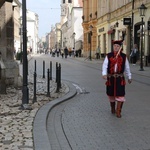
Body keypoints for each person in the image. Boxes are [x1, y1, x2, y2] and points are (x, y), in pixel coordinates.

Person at [102, 40, 132, 118]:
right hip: (111, 78)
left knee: (120, 94)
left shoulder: (124, 56)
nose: (116, 47)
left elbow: (127, 67)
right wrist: (104, 74)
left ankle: (118, 111)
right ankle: (112, 108)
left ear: (120, 48)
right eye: (115, 46)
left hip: (120, 79)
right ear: (113, 47)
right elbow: (105, 65)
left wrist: (129, 76)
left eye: (117, 46)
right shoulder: (109, 55)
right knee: (111, 94)